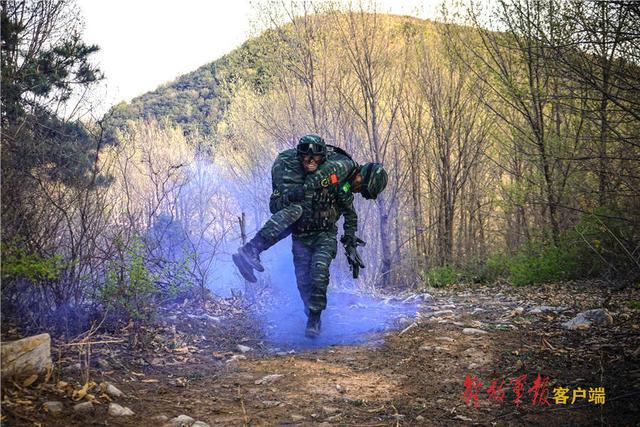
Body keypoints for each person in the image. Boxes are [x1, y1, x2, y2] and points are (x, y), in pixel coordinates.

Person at [233, 135, 388, 337]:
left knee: (319, 271)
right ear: (363, 176)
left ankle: (314, 319)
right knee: (304, 281)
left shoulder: (346, 184)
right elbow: (310, 184)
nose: (359, 190)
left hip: (324, 233)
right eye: (362, 187)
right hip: (303, 232)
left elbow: (349, 211)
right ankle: (251, 251)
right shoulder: (343, 168)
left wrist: (350, 241)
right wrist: (296, 203)